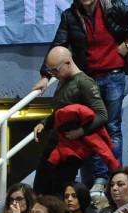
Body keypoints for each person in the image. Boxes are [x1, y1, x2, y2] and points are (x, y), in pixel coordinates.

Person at [33, 0, 128, 196]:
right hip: (89, 76)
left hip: (114, 74)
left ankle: (114, 178)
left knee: (112, 127)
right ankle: (99, 179)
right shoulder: (70, 16)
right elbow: (58, 47)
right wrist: (46, 76)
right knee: (92, 128)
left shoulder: (113, 6)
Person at [31, 46, 108, 196]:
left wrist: (80, 131)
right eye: (51, 71)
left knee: (59, 190)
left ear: (67, 63)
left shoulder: (85, 83)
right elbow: (60, 111)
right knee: (41, 186)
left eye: (56, 70)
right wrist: (43, 123)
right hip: (56, 141)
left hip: (71, 148)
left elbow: (102, 115)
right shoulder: (63, 80)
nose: (54, 75)